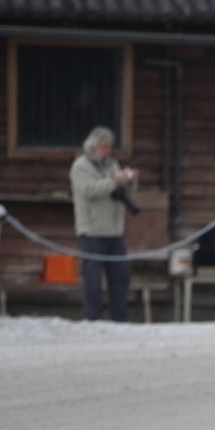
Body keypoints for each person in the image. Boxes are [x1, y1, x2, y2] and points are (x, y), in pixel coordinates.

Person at [70, 126, 138, 322]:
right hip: (92, 231)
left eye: (110, 146)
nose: (108, 150)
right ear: (93, 146)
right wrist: (115, 180)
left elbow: (122, 190)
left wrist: (129, 180)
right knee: (92, 279)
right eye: (104, 146)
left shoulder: (112, 164)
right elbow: (90, 190)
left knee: (120, 277)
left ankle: (120, 317)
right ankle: (93, 318)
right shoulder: (80, 166)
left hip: (115, 231)